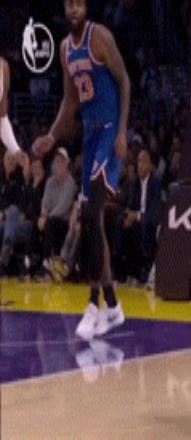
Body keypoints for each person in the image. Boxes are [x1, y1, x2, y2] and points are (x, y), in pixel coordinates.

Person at [33, 0, 130, 340]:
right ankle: (113, 305)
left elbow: (124, 81)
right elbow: (70, 102)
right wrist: (51, 135)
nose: (73, 9)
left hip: (109, 132)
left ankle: (93, 303)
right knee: (93, 221)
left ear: (86, 7)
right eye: (69, 4)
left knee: (89, 215)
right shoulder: (64, 50)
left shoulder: (99, 37)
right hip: (89, 136)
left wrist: (122, 131)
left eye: (78, 4)